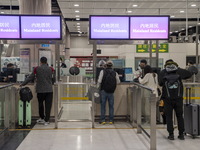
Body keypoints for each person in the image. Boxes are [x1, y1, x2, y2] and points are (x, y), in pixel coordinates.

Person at [159, 60, 192, 140]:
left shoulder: (163, 72)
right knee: (180, 116)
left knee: (169, 117)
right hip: (178, 99)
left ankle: (171, 134)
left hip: (167, 99)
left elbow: (160, 83)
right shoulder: (178, 71)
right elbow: (189, 74)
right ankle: (181, 134)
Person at [20, 57, 55, 125]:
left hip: (40, 90)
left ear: (40, 62)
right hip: (49, 90)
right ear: (46, 61)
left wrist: (23, 84)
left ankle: (42, 118)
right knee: (48, 105)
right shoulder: (51, 69)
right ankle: (47, 120)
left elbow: (30, 77)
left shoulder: (37, 68)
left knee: (40, 104)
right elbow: (54, 78)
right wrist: (51, 83)